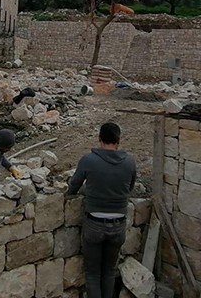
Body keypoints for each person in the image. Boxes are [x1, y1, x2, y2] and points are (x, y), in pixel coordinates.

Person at [67, 122, 137, 298]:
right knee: (108, 271)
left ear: (99, 139)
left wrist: (70, 194)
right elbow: (130, 187)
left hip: (94, 224)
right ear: (119, 141)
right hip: (119, 224)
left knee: (92, 274)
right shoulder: (130, 162)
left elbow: (74, 184)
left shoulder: (88, 160)